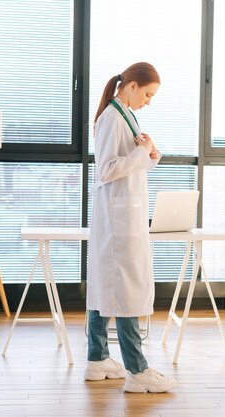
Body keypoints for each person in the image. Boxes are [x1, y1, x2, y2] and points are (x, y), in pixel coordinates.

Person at [84, 62, 176, 393]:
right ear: (133, 85)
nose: (149, 101)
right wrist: (140, 151)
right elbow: (107, 170)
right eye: (148, 94)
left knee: (107, 286)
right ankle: (137, 370)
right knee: (124, 290)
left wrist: (149, 153)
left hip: (123, 215)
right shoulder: (111, 117)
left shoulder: (125, 115)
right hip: (118, 219)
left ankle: (97, 358)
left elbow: (132, 164)